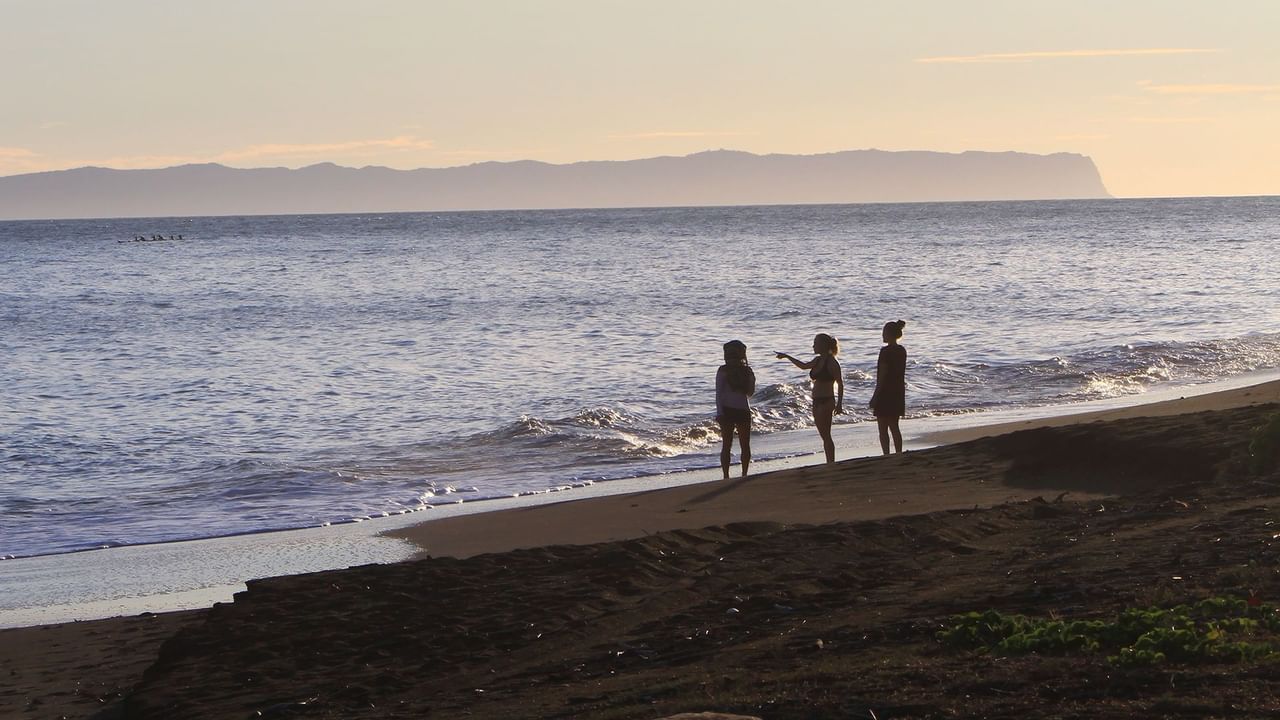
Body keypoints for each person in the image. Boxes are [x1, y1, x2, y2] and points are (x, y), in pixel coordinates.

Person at [776, 334, 844, 463]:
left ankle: (831, 462)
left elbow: (840, 383)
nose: (813, 346)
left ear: (824, 345)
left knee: (826, 435)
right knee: (823, 435)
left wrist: (839, 404)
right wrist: (787, 356)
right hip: (816, 400)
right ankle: (830, 461)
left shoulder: (832, 363)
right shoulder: (817, 360)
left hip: (827, 400)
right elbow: (803, 366)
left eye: (816, 343)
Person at [715, 340, 756, 478]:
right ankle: (744, 474)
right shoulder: (747, 371)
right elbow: (750, 393)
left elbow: (719, 393)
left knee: (727, 445)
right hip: (743, 409)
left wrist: (719, 412)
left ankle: (726, 476)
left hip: (726, 410)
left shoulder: (723, 370)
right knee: (745, 445)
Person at [870, 320, 908, 455]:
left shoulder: (885, 352)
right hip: (897, 390)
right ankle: (899, 453)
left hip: (885, 391)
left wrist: (875, 396)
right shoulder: (902, 350)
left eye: (884, 333)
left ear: (889, 334)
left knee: (882, 427)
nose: (882, 335)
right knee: (894, 426)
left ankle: (886, 454)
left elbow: (882, 375)